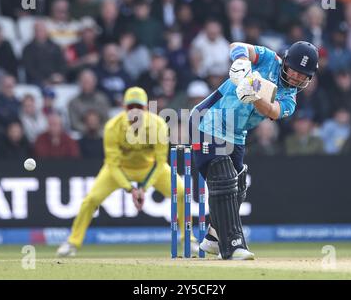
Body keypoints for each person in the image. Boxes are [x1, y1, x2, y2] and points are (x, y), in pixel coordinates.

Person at [191, 41, 319, 260]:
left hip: (237, 133)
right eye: (295, 71)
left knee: (238, 185)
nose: (297, 78)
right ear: (286, 62)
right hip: (207, 120)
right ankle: (232, 246)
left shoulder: (290, 99)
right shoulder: (270, 59)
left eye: (303, 75)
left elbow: (272, 110)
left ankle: (213, 238)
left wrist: (254, 93)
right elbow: (237, 45)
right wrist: (241, 60)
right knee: (224, 179)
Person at [57, 87, 199, 257]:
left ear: (145, 108)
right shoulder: (112, 126)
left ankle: (188, 240)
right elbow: (112, 164)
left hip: (150, 167)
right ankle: (73, 242)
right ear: (124, 108)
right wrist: (131, 189)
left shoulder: (158, 124)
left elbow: (161, 162)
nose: (135, 112)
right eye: (131, 107)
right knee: (91, 199)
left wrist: (143, 188)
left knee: (182, 192)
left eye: (138, 107)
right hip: (119, 169)